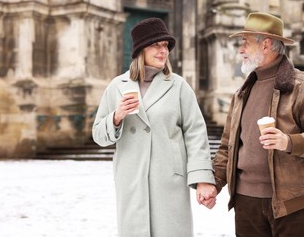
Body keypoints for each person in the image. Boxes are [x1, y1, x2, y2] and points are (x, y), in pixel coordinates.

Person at [209, 12, 304, 236]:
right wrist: (214, 182)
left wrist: (289, 142)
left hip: (294, 204)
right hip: (246, 205)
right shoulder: (242, 93)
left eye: (246, 43)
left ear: (266, 45)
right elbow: (227, 147)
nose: (240, 50)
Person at [92, 18, 216, 237]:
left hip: (169, 179)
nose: (163, 51)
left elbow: (196, 133)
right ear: (141, 49)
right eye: (156, 45)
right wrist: (117, 116)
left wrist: (203, 178)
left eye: (166, 46)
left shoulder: (178, 86)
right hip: (131, 180)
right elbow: (99, 135)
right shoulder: (117, 87)